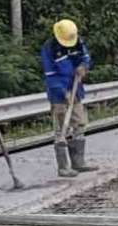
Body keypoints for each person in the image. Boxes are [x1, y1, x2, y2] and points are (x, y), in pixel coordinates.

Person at [41, 18, 98, 177]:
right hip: (58, 94)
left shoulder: (77, 42)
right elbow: (50, 76)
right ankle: (63, 167)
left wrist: (83, 67)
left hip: (76, 88)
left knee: (79, 124)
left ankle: (78, 162)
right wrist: (62, 92)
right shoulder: (49, 49)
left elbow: (85, 57)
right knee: (61, 129)